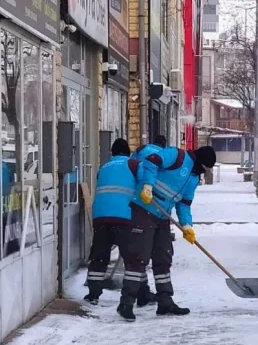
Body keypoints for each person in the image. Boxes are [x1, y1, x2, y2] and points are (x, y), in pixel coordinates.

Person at [131, 145, 217, 316]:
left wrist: (187, 226)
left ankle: (165, 301)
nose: (203, 171)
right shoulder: (176, 155)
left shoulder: (193, 178)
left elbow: (184, 204)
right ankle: (128, 300)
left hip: (163, 217)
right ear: (200, 161)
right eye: (205, 167)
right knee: (139, 257)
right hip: (145, 208)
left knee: (163, 258)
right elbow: (152, 161)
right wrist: (148, 185)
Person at [84, 139, 145, 322]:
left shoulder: (104, 167)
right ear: (128, 152)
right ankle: (129, 301)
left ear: (112, 152)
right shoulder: (134, 165)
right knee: (133, 259)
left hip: (101, 216)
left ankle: (93, 294)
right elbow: (144, 185)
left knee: (100, 255)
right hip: (124, 216)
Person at [124, 135, 168, 307]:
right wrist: (147, 186)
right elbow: (147, 171)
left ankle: (141, 291)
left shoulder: (141, 149)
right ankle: (141, 294)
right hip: (147, 204)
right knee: (143, 253)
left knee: (137, 255)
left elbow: (133, 167)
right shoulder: (163, 154)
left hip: (135, 198)